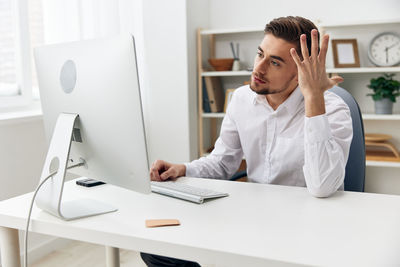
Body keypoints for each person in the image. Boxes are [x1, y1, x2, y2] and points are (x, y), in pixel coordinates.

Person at [141, 16, 353, 267]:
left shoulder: (333, 110)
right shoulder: (241, 99)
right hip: (252, 221)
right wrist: (183, 169)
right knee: (156, 251)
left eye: (274, 62)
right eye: (260, 54)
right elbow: (222, 163)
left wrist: (313, 98)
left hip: (305, 232)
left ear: (301, 74)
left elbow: (322, 187)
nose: (258, 69)